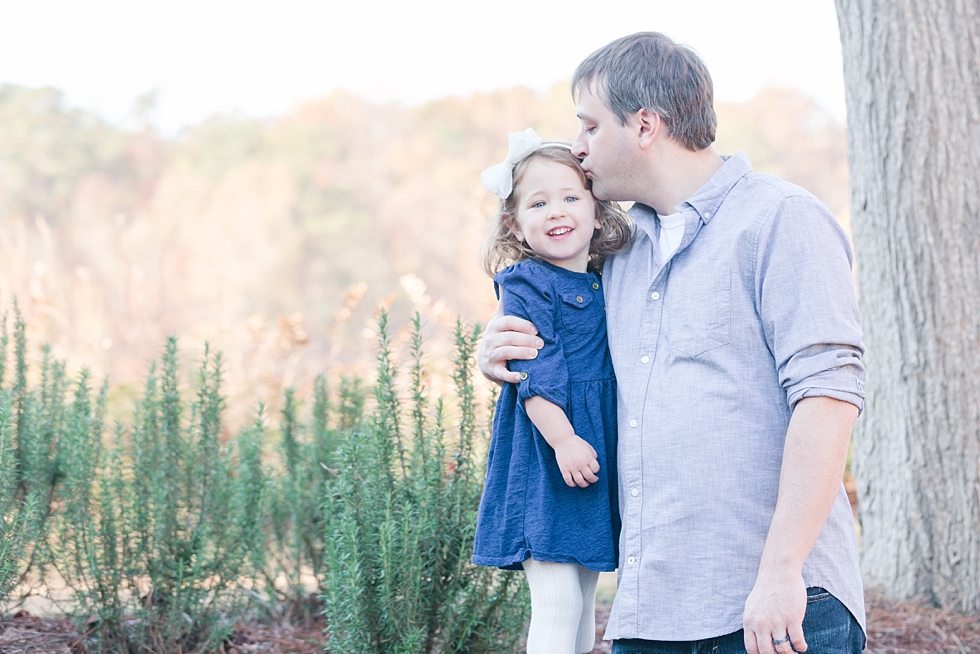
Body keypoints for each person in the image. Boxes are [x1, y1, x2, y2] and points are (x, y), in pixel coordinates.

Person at [478, 33, 867, 654]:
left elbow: (828, 397)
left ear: (645, 125)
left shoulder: (780, 219)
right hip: (651, 614)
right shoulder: (617, 252)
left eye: (590, 125)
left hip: (774, 607)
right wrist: (495, 349)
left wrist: (781, 572)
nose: (578, 148)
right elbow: (557, 330)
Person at [471, 128, 633, 654]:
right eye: (538, 203)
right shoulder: (527, 284)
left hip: (591, 452)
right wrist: (564, 440)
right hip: (548, 455)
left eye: (570, 197)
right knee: (558, 599)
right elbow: (531, 374)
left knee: (585, 598)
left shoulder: (607, 276)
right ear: (514, 224)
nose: (557, 211)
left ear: (597, 210)